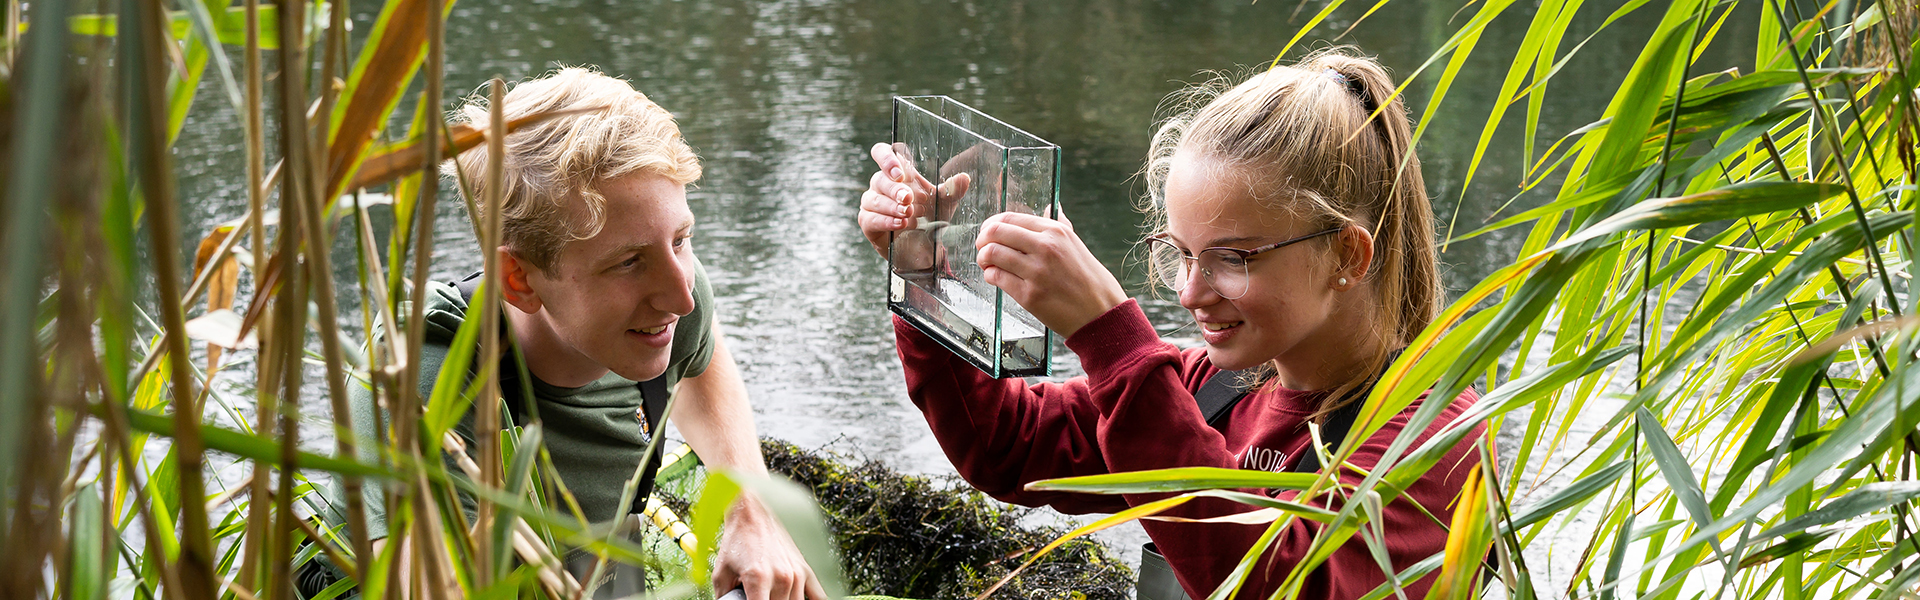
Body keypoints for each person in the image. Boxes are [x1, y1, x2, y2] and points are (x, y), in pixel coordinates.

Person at [854, 48, 1484, 599]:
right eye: (1181, 253)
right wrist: (925, 275)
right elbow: (1008, 445)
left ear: (1348, 255)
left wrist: (1110, 335)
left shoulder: (1431, 441)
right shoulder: (1210, 387)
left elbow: (1285, 581)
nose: (1188, 293)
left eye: (1233, 259)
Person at [308, 67, 823, 600]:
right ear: (520, 278)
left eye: (682, 238)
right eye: (628, 262)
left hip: (597, 565)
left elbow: (702, 351)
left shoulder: (666, 299)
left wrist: (752, 510)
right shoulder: (422, 381)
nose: (680, 297)